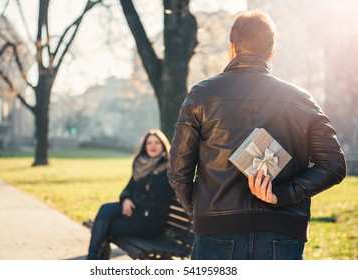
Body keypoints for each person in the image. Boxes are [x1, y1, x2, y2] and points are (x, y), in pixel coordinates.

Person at [167, 10, 346, 260]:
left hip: (216, 232)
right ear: (271, 52)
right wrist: (282, 194)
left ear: (232, 47)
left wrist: (202, 215)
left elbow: (178, 172)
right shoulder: (301, 99)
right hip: (282, 230)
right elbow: (334, 165)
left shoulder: (201, 95)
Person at [87, 129, 174, 260]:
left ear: (163, 146)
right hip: (136, 212)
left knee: (104, 227)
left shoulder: (168, 168)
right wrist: (126, 199)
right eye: (149, 143)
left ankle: (93, 260)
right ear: (145, 146)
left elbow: (157, 198)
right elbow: (129, 187)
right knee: (105, 210)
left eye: (157, 142)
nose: (153, 145)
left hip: (149, 221)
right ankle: (93, 258)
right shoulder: (140, 165)